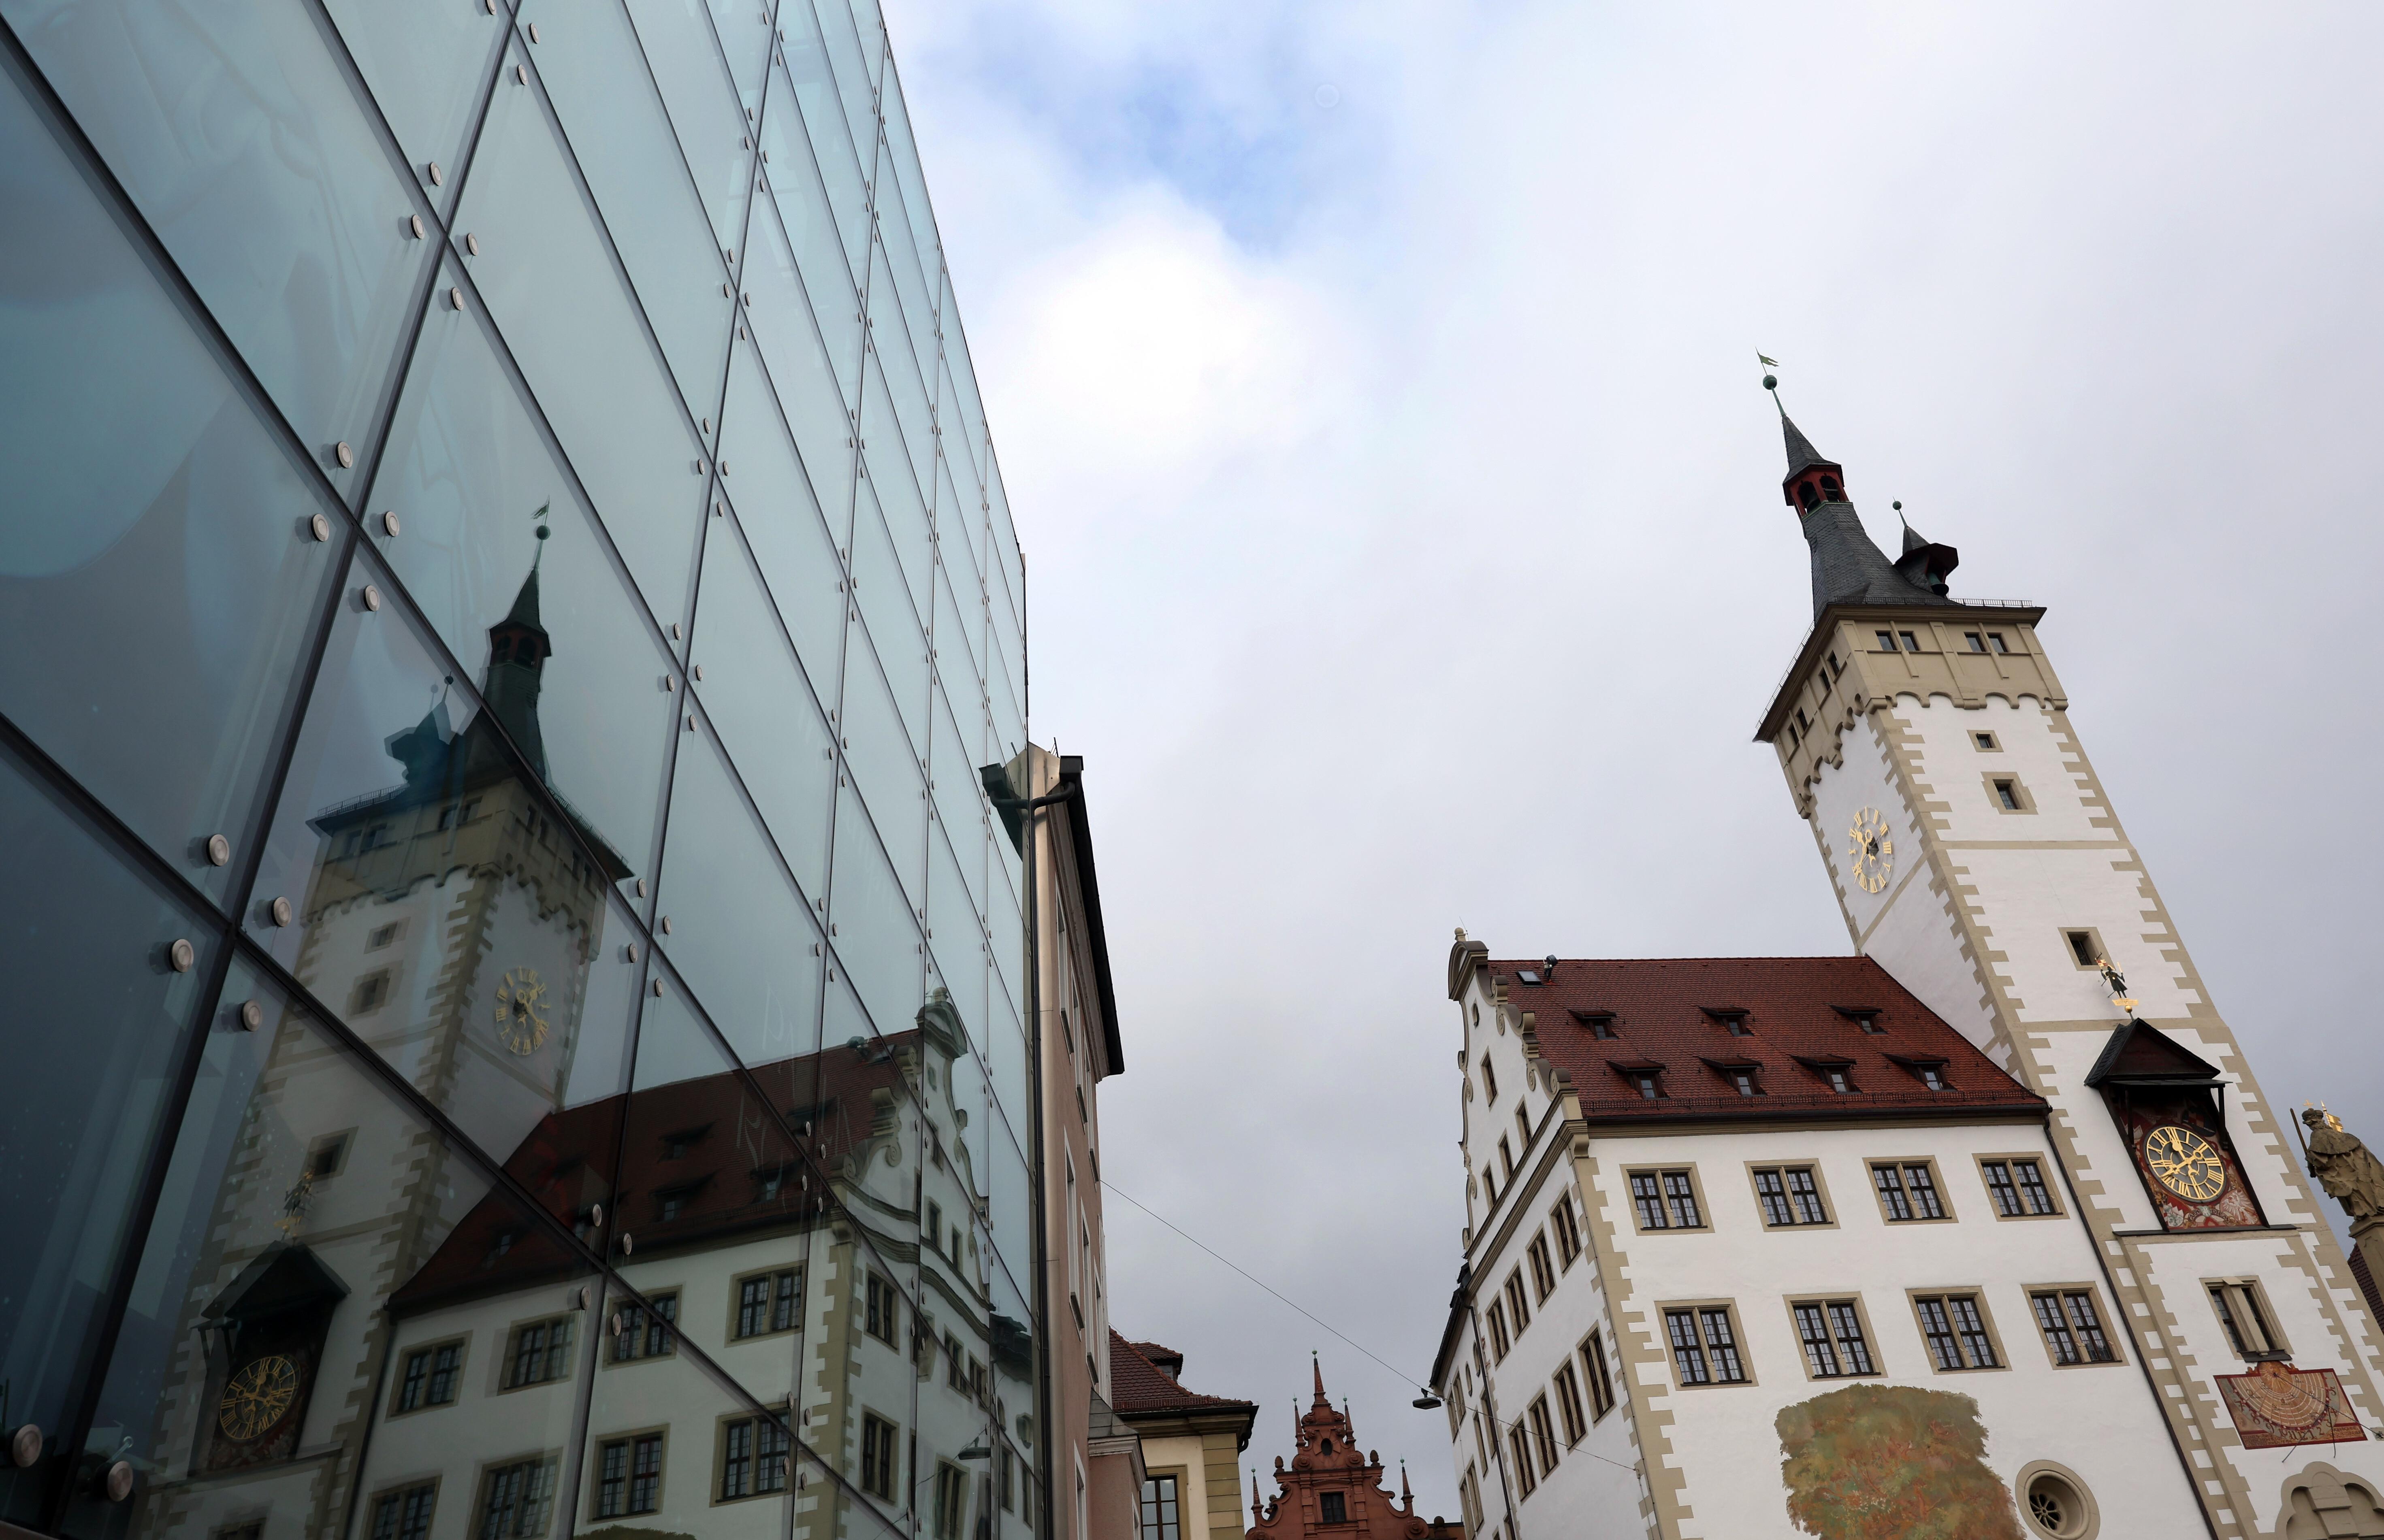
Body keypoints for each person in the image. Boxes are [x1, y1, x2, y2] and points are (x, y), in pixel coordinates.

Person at [2303, 1106, 2384, 1220]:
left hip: (2346, 1177)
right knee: (2366, 1191)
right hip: (2361, 1173)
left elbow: (2322, 1162)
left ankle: (2367, 1211)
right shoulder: (2345, 1136)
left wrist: (2310, 1160)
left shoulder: (2317, 1136)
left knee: (2357, 1197)